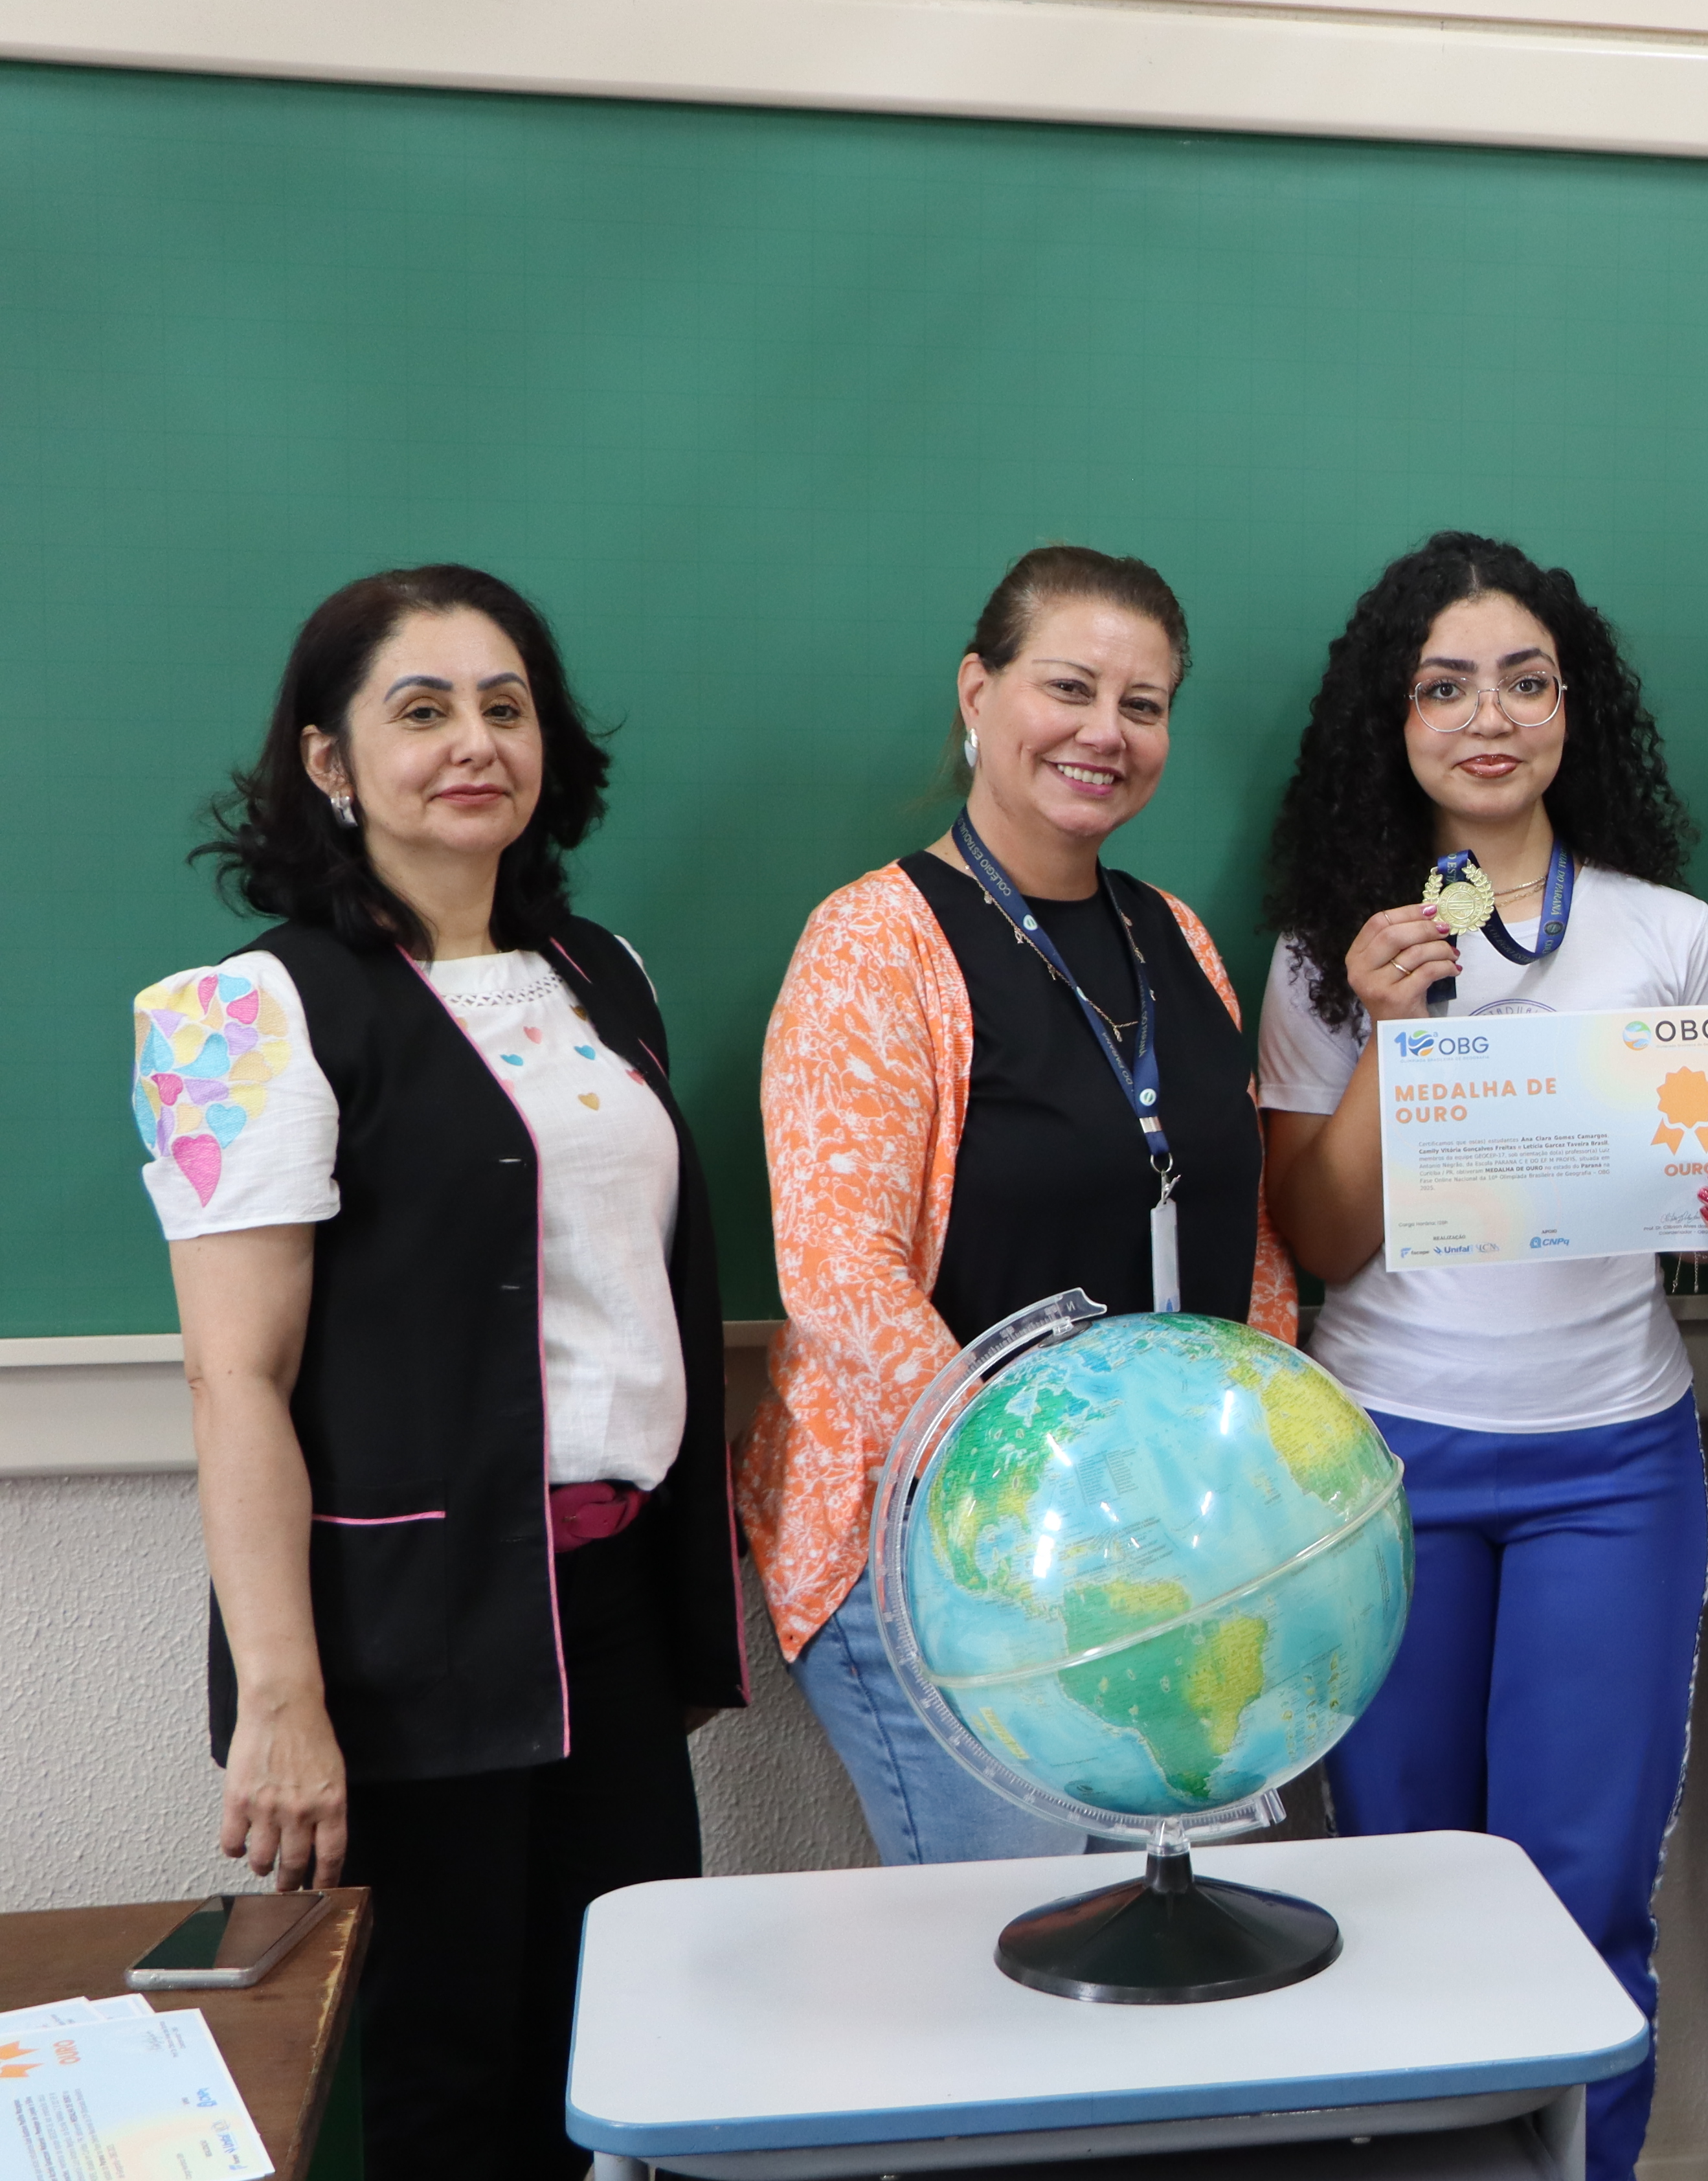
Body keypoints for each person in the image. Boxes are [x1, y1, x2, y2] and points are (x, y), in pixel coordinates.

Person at [137, 565, 744, 2176]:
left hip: (605, 1613)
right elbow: (235, 1384)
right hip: (404, 1636)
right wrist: (282, 1703)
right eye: (420, 711)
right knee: (446, 2075)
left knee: (624, 2053)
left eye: (504, 704)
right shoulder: (243, 1015)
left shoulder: (602, 975)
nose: (473, 741)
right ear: (331, 761)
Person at [1257, 532, 1708, 2181]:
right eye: (1445, 686)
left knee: (1587, 1889)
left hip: (1614, 1468)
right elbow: (1325, 1239)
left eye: (1526, 680)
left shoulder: (1670, 936)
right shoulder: (1327, 955)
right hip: (1389, 1464)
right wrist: (1389, 1040)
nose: (1489, 716)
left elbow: (1697, 1212)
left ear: (1577, 708)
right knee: (1404, 1893)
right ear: (1392, 719)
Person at [739, 545, 1302, 1865]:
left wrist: (1252, 1480)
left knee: (1174, 1986)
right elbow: (840, 1273)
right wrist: (1041, 1494)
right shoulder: (874, 943)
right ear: (978, 692)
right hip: (957, 1568)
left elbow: (1249, 1233)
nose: (1106, 732)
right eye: (1070, 686)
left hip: (1170, 1567)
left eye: (1145, 703)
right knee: (1013, 1986)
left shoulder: (1179, 938)